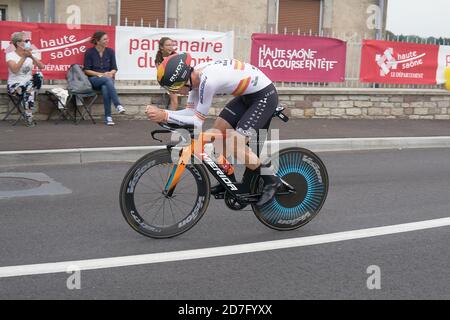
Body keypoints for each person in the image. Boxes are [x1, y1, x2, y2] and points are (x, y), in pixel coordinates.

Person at [145, 53, 282, 206]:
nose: (176, 92)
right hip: (247, 96)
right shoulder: (195, 77)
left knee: (234, 144)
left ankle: (272, 181)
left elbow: (196, 122)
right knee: (219, 130)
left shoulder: (207, 82)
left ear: (185, 80)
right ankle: (230, 182)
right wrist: (165, 115)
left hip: (264, 96)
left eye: (175, 88)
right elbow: (190, 113)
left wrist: (164, 114)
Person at [84, 30, 125, 126]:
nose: (107, 40)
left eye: (107, 38)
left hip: (108, 80)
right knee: (107, 80)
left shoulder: (110, 51)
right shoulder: (89, 52)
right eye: (105, 39)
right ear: (98, 41)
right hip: (94, 79)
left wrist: (111, 73)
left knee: (105, 87)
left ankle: (108, 117)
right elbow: (86, 70)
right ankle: (117, 105)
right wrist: (101, 74)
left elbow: (114, 68)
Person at [6, 32, 45, 127]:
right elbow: (14, 70)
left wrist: (31, 56)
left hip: (28, 86)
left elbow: (42, 66)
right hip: (15, 87)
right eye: (26, 41)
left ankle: (28, 116)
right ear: (18, 43)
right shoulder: (10, 55)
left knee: (38, 77)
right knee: (29, 88)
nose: (29, 43)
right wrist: (24, 57)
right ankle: (29, 116)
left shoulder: (29, 55)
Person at [155, 37, 179, 111]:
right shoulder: (158, 58)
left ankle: (170, 117)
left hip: (177, 81)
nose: (171, 47)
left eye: (172, 45)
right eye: (168, 45)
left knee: (174, 100)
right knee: (173, 100)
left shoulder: (176, 56)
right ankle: (170, 117)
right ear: (162, 47)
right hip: (166, 82)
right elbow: (162, 75)